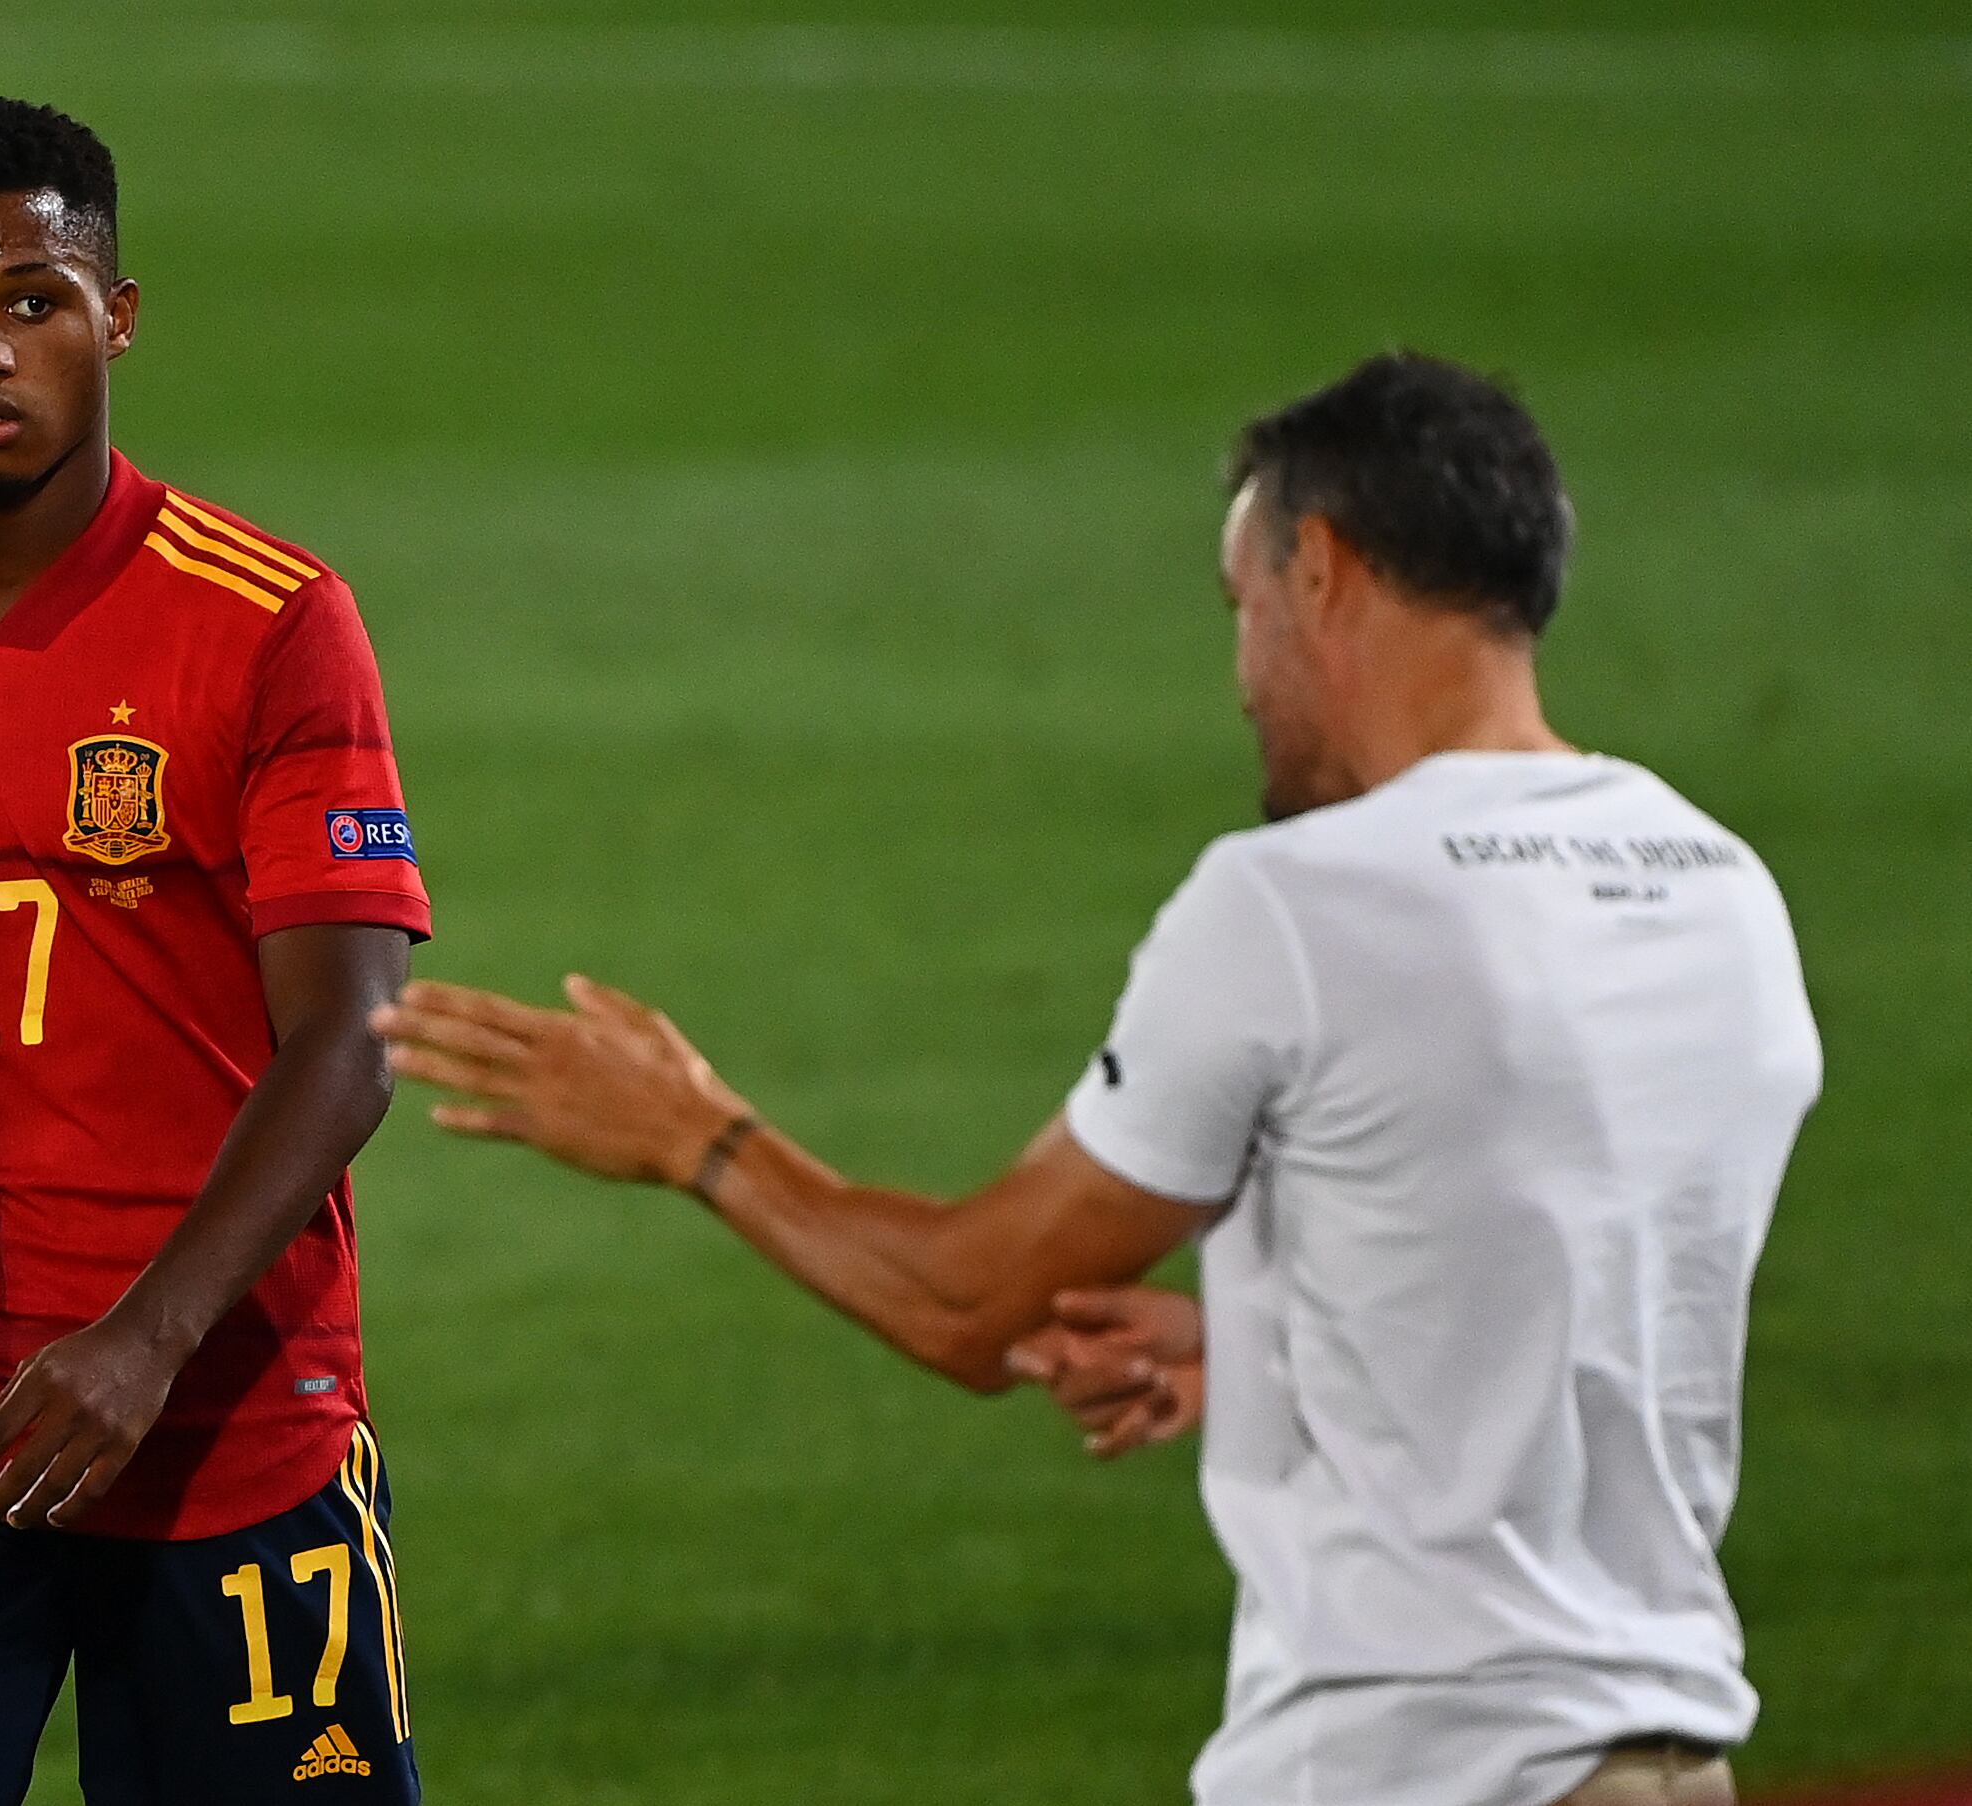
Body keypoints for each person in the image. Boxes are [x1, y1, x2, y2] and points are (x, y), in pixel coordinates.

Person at [376, 353, 1818, 1806]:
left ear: (1319, 570)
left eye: (1240, 609)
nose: (1245, 679)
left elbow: (969, 1298)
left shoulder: (1301, 902)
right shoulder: (1714, 887)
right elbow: (1586, 1267)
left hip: (1421, 1769)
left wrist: (691, 1132)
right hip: (1665, 1758)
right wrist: (1268, 1355)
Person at [0, 99, 428, 1805]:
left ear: (117, 315)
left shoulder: (267, 619)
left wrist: (143, 1336)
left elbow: (349, 1036)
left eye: (32, 297)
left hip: (227, 1417)